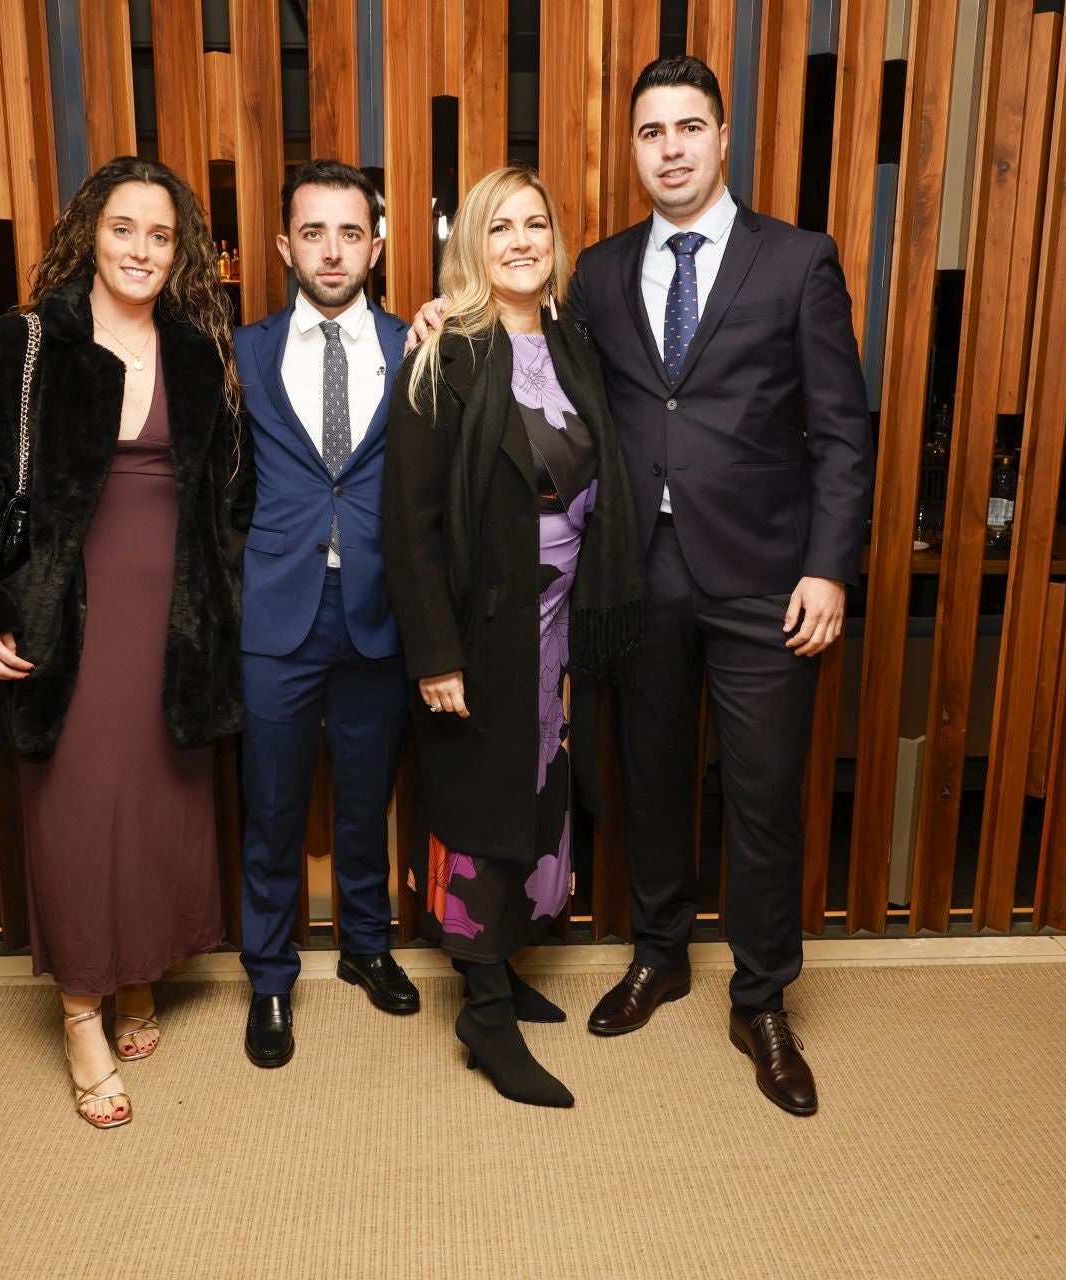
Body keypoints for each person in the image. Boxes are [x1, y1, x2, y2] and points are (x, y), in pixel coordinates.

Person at [410, 56, 873, 1116]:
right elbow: (517, 344)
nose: (669, 147)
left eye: (688, 127)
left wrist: (829, 567)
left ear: (721, 137)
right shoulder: (602, 274)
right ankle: (660, 951)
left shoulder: (799, 261)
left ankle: (761, 996)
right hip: (635, 579)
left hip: (769, 580)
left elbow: (844, 432)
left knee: (759, 795)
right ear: (634, 149)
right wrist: (436, 319)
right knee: (651, 774)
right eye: (650, 131)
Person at [0, 157, 247, 1129]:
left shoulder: (197, 351)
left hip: (177, 619)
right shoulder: (24, 342)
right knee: (75, 812)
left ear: (179, 248)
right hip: (65, 619)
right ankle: (82, 1014)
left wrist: (224, 599)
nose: (141, 250)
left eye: (159, 235)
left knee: (159, 807)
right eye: (123, 229)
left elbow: (231, 492)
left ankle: (139, 973)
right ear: (90, 234)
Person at [384, 166, 643, 1109]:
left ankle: (503, 962)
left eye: (537, 225)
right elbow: (408, 524)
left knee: (539, 801)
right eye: (501, 229)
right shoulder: (445, 352)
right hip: (486, 624)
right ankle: (482, 1013)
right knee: (479, 811)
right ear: (473, 246)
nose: (522, 242)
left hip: (564, 626)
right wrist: (437, 656)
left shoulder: (573, 342)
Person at [233, 160, 420, 1070]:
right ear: (285, 245)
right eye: (314, 232)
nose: (333, 250)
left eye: (351, 233)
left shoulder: (418, 345)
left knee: (364, 791)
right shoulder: (246, 352)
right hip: (277, 611)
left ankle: (367, 944)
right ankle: (269, 976)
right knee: (271, 804)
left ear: (376, 246)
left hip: (379, 605)